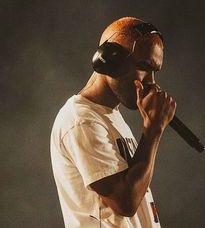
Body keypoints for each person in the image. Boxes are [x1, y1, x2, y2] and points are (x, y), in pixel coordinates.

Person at [50, 16, 176, 228]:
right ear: (110, 60)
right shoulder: (81, 120)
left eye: (155, 71)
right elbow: (125, 203)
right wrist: (153, 129)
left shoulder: (108, 116)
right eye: (144, 67)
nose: (151, 83)